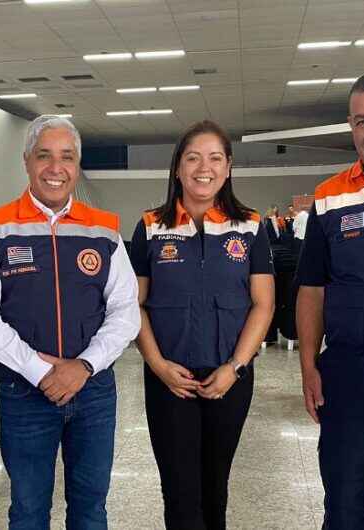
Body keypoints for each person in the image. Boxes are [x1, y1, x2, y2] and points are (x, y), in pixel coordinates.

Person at [0, 115, 140, 530]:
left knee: (91, 509)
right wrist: (41, 371)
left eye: (67, 157)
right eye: (44, 156)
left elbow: (126, 310)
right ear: (27, 161)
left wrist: (83, 367)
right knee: (27, 510)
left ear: (77, 165)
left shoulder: (104, 230)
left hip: (94, 392)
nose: (55, 168)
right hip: (23, 394)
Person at [130, 120, 275, 530]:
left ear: (228, 167)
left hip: (229, 377)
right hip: (168, 379)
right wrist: (158, 364)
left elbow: (263, 305)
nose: (203, 168)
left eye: (214, 158)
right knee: (179, 492)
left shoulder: (249, 226)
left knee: (216, 486)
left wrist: (236, 367)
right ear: (177, 167)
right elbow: (135, 305)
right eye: (192, 158)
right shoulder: (151, 226)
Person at [296, 69, 364, 529]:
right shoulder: (329, 199)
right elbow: (312, 288)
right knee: (345, 506)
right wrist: (308, 367)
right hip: (351, 378)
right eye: (362, 122)